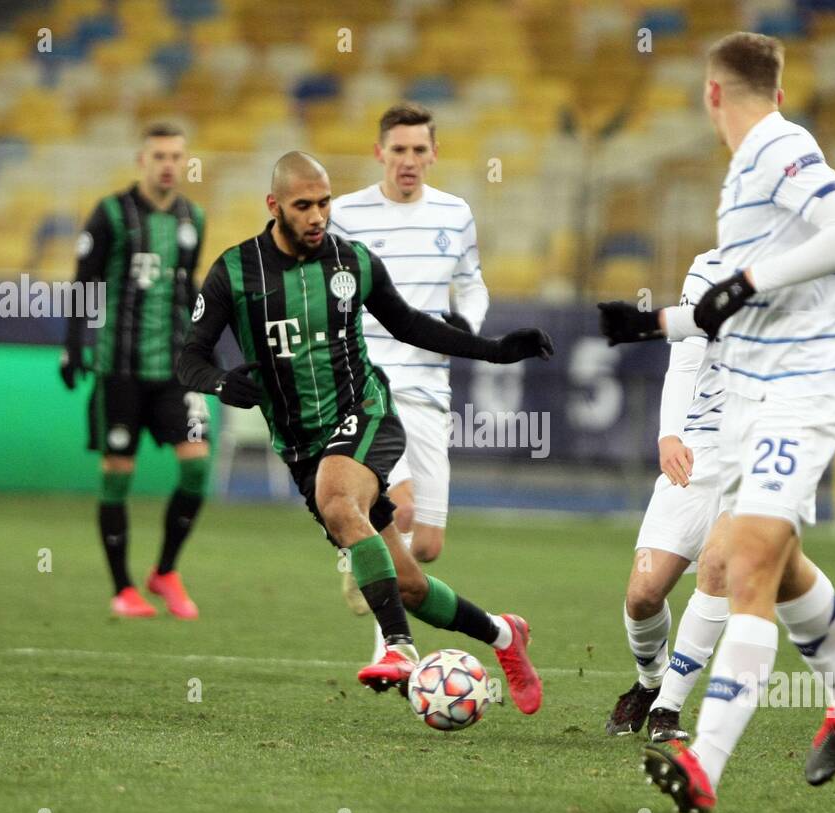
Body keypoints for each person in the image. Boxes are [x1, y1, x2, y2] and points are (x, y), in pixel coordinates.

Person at [599, 32, 835, 813]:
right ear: (780, 88)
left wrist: (749, 280)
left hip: (797, 399)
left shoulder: (777, 146)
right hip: (752, 406)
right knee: (772, 565)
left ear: (710, 94)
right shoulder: (747, 181)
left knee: (745, 567)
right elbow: (738, 311)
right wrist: (652, 325)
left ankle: (703, 766)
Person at [177, 151, 552, 711]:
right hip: (301, 445)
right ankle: (504, 634)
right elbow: (190, 357)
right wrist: (222, 385)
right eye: (303, 206)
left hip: (366, 410)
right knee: (410, 586)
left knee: (337, 499)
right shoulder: (235, 271)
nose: (317, 216)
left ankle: (399, 649)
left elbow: (410, 324)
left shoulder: (353, 263)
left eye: (324, 203)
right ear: (274, 206)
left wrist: (494, 351)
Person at [328, 103, 490, 667]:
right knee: (397, 508)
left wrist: (468, 327)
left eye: (420, 150)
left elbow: (472, 285)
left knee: (426, 546)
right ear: (379, 153)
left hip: (429, 389)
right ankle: (392, 648)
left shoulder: (454, 213)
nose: (409, 161)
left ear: (434, 154)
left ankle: (360, 557)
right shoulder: (346, 215)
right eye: (398, 150)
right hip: (368, 384)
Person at [62, 121, 208, 620]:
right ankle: (122, 587)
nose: (169, 164)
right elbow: (84, 281)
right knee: (117, 473)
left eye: (177, 156)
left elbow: (189, 291)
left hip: (173, 368)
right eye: (160, 155)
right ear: (141, 161)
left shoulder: (194, 218)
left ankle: (164, 570)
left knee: (197, 462)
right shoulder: (111, 214)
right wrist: (71, 346)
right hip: (119, 369)